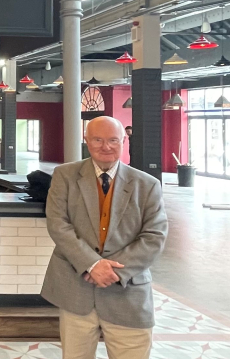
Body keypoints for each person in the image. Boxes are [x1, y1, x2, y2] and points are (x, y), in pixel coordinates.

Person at [41, 116, 168, 359]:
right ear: (86, 140)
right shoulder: (64, 176)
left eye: (113, 140)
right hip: (77, 292)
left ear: (124, 141)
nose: (105, 146)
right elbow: (58, 224)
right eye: (98, 139)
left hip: (128, 293)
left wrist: (112, 270)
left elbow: (154, 236)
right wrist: (92, 263)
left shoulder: (147, 185)